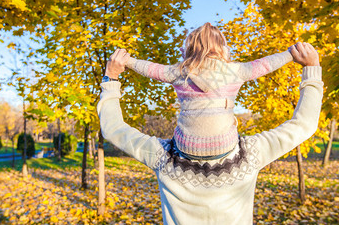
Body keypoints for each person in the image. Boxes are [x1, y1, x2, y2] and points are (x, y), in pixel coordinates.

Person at [97, 42, 323, 225]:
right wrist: (311, 70)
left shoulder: (163, 158)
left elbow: (113, 128)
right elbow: (304, 124)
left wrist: (111, 78)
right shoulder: (249, 156)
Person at [125, 22, 293, 160]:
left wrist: (128, 61)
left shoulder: (179, 72)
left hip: (186, 147)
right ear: (222, 48)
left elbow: (150, 69)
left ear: (190, 48)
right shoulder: (235, 71)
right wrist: (290, 54)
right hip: (224, 146)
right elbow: (266, 64)